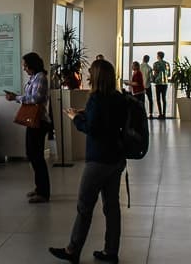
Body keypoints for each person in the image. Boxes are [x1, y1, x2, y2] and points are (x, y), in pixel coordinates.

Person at [49, 60, 127, 264]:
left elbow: (92, 129)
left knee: (85, 207)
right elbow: (110, 122)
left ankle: (72, 249)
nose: (89, 75)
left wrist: (75, 117)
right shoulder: (118, 97)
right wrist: (85, 114)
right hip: (116, 158)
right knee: (112, 207)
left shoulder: (96, 99)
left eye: (91, 72)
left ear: (97, 76)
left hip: (98, 160)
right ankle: (111, 252)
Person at [5, 52, 51, 203]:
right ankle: (39, 188)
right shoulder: (34, 78)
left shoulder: (40, 78)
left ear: (32, 65)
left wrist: (16, 98)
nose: (24, 68)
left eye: (25, 65)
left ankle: (43, 192)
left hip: (39, 121)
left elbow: (36, 98)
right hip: (34, 121)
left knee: (36, 156)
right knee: (32, 154)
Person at [152, 51, 170, 119]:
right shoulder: (167, 64)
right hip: (165, 83)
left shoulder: (156, 64)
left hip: (158, 83)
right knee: (164, 98)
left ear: (158, 56)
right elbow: (168, 74)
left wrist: (154, 79)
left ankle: (160, 114)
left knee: (158, 99)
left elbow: (155, 74)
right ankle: (164, 114)